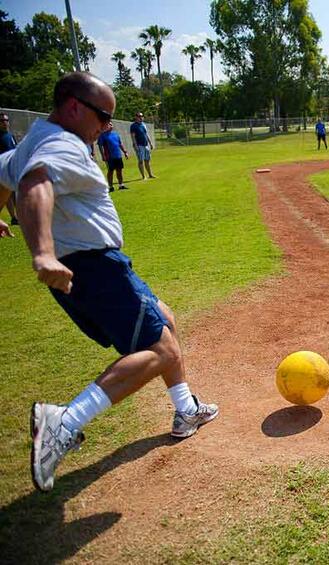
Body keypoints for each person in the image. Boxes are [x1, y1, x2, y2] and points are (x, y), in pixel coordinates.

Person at [0, 72, 218, 493]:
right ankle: (64, 422)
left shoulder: (34, 139)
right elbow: (33, 183)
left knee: (165, 320)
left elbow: (5, 175)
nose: (107, 127)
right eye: (103, 116)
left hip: (97, 266)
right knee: (159, 349)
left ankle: (185, 409)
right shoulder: (62, 144)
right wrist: (41, 252)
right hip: (93, 267)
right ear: (74, 107)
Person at [97, 121, 129, 191]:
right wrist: (103, 155)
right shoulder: (102, 135)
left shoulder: (116, 134)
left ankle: (121, 185)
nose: (110, 125)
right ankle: (111, 187)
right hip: (109, 157)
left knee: (119, 170)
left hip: (118, 155)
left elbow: (120, 144)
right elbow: (100, 146)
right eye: (109, 124)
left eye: (111, 124)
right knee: (111, 171)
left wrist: (125, 152)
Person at [0, 112, 18, 225]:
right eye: (1, 121)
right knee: (6, 194)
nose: (4, 123)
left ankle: (16, 217)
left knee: (13, 194)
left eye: (6, 120)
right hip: (2, 169)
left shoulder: (10, 136)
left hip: (13, 167)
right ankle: (14, 217)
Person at [130, 111, 156, 179]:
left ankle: (150, 174)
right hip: (139, 145)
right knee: (141, 161)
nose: (141, 117)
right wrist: (135, 145)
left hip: (145, 145)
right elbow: (133, 136)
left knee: (147, 160)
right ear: (136, 117)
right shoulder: (133, 126)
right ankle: (143, 176)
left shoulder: (143, 125)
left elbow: (146, 134)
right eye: (139, 116)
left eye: (141, 116)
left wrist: (150, 143)